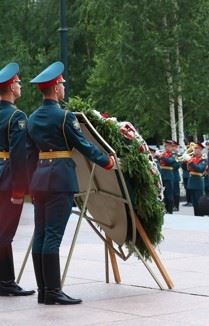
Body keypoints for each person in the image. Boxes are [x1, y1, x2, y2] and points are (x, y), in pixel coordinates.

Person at [27, 62, 114, 305]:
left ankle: (44, 290)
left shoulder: (32, 118)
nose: (64, 87)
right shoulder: (64, 117)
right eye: (62, 84)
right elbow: (83, 145)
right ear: (55, 88)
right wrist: (106, 161)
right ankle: (53, 292)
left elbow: (30, 153)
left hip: (39, 180)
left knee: (41, 235)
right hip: (60, 181)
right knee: (53, 236)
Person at [0, 63, 35, 297]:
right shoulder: (17, 116)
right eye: (19, 83)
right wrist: (19, 189)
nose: (20, 86)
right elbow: (19, 156)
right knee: (5, 231)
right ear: (12, 87)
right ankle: (6, 282)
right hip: (6, 177)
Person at [187, 142, 207, 216]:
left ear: (201, 149)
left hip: (198, 182)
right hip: (191, 182)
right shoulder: (192, 158)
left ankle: (200, 216)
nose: (195, 150)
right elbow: (187, 169)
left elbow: (200, 169)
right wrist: (185, 162)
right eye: (195, 148)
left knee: (199, 202)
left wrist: (191, 163)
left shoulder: (203, 159)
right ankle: (196, 217)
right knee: (194, 203)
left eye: (197, 148)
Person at [158, 140, 176, 213]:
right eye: (165, 146)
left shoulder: (173, 154)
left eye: (168, 146)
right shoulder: (163, 154)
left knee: (169, 194)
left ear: (171, 147)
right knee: (163, 193)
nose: (166, 147)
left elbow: (169, 161)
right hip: (162, 175)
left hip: (168, 175)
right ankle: (164, 208)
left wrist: (162, 157)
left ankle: (170, 210)